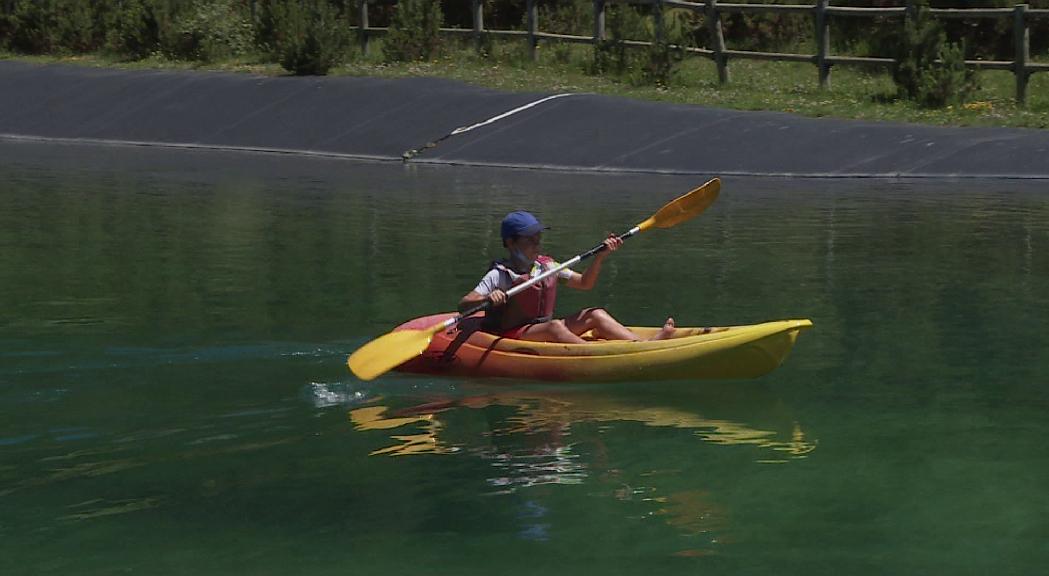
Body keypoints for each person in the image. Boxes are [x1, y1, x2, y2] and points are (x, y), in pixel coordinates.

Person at [458, 210, 675, 344]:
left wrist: (600, 258)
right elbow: (464, 304)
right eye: (530, 240)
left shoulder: (547, 266)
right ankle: (597, 356)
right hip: (514, 334)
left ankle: (642, 345)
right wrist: (489, 299)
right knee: (555, 327)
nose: (537, 245)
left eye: (538, 238)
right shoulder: (500, 275)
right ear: (511, 243)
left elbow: (585, 284)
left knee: (595, 314)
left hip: (541, 329)